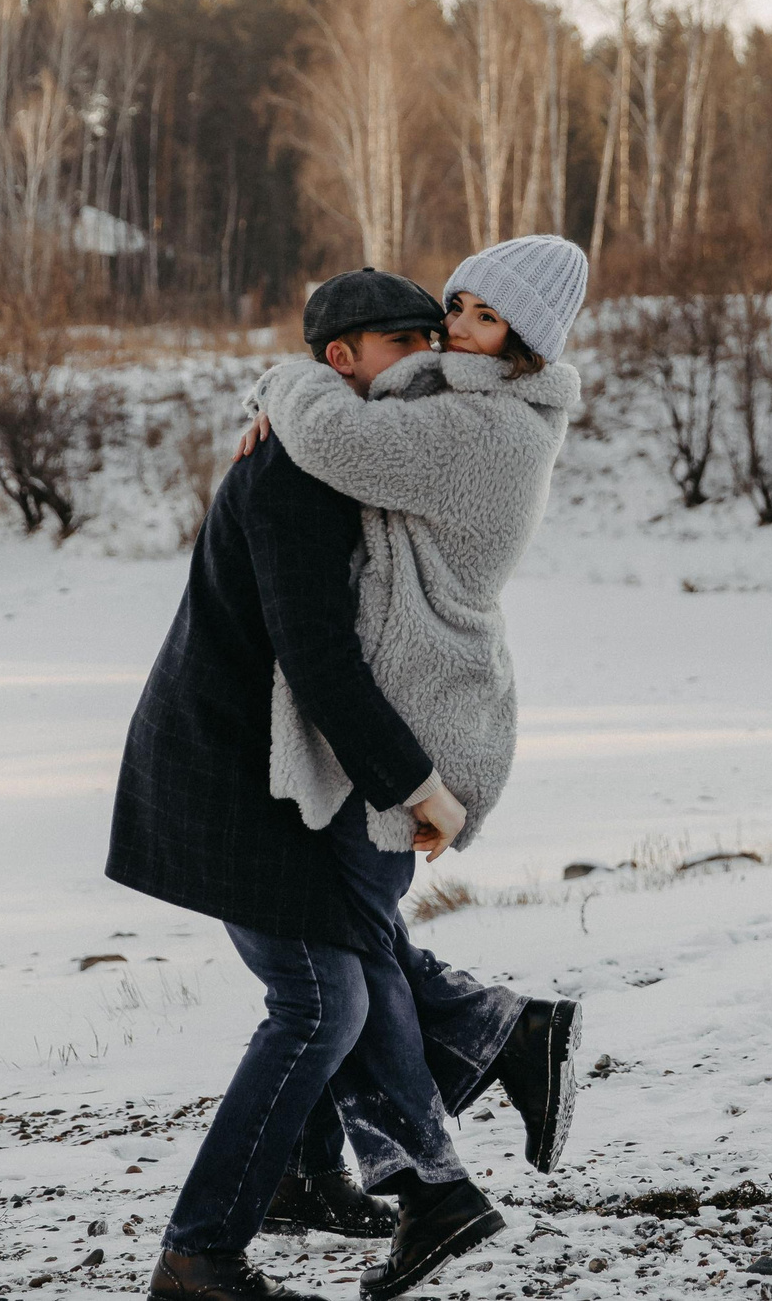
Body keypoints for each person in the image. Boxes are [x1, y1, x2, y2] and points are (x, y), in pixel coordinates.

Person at [110, 267, 537, 1301]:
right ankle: (198, 1258)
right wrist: (415, 784)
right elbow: (318, 659)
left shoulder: (336, 449)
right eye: (403, 343)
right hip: (223, 772)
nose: (427, 357)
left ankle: (311, 1174)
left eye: (433, 338)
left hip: (273, 770)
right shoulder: (298, 475)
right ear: (341, 360)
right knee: (317, 1001)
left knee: (338, 967)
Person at [239, 234, 591, 1187]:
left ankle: (424, 1184)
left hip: (427, 712)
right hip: (404, 699)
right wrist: (279, 401)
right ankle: (499, 1034)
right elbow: (357, 408)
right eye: (456, 306)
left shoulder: (490, 431)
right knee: (349, 931)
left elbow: (343, 437)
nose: (455, 330)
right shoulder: (459, 398)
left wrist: (282, 382)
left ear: (528, 341)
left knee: (350, 950)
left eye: (484, 317)